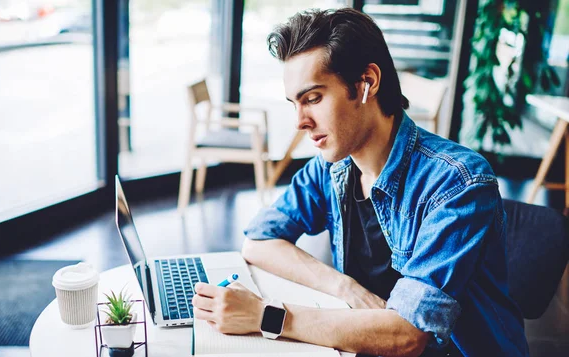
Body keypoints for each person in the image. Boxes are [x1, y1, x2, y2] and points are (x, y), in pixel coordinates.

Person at [192, 8, 529, 357]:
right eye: (295, 103)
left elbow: (407, 334)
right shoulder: (331, 168)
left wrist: (268, 316)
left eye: (313, 98)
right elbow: (258, 241)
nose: (300, 122)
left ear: (367, 82)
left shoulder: (457, 184)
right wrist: (344, 288)